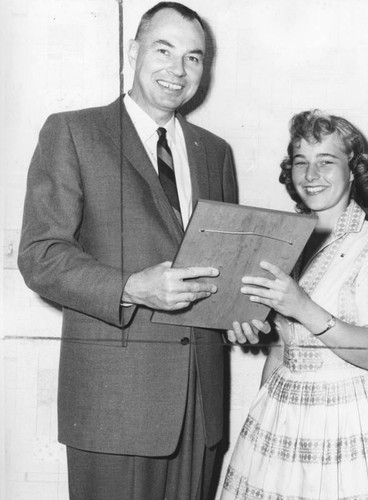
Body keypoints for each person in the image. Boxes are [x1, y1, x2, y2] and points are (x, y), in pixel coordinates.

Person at [18, 3, 237, 499]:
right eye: (164, 50)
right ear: (134, 52)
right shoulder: (72, 132)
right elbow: (40, 254)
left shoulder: (216, 151)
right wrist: (133, 288)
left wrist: (240, 313)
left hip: (200, 407)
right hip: (112, 405)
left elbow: (219, 265)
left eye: (194, 58)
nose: (178, 70)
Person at [222, 110, 368, 499]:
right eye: (301, 162)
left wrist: (302, 306)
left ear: (353, 171)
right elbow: (281, 348)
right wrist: (263, 419)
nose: (311, 174)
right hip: (283, 412)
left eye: (326, 161)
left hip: (349, 419)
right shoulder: (286, 243)